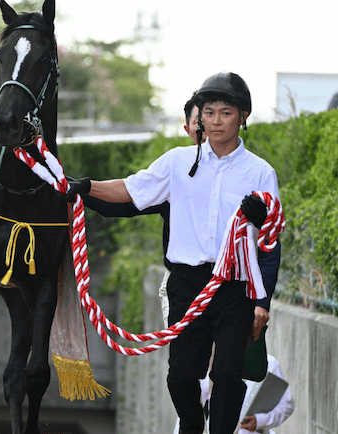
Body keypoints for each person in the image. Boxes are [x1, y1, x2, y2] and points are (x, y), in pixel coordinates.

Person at [65, 72, 280, 434]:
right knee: (180, 377)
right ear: (199, 118)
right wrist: (84, 187)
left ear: (243, 116)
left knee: (228, 374)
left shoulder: (260, 172)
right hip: (188, 283)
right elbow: (131, 192)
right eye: (208, 112)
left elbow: (270, 242)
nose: (214, 120)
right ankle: (192, 426)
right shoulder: (177, 164)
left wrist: (263, 301)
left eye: (225, 112)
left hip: (235, 286)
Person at [80, 95, 203, 327]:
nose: (210, 123)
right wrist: (78, 189)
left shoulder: (248, 172)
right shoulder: (174, 170)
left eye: (220, 113)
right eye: (201, 119)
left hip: (231, 286)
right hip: (183, 285)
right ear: (188, 129)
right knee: (188, 362)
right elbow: (123, 201)